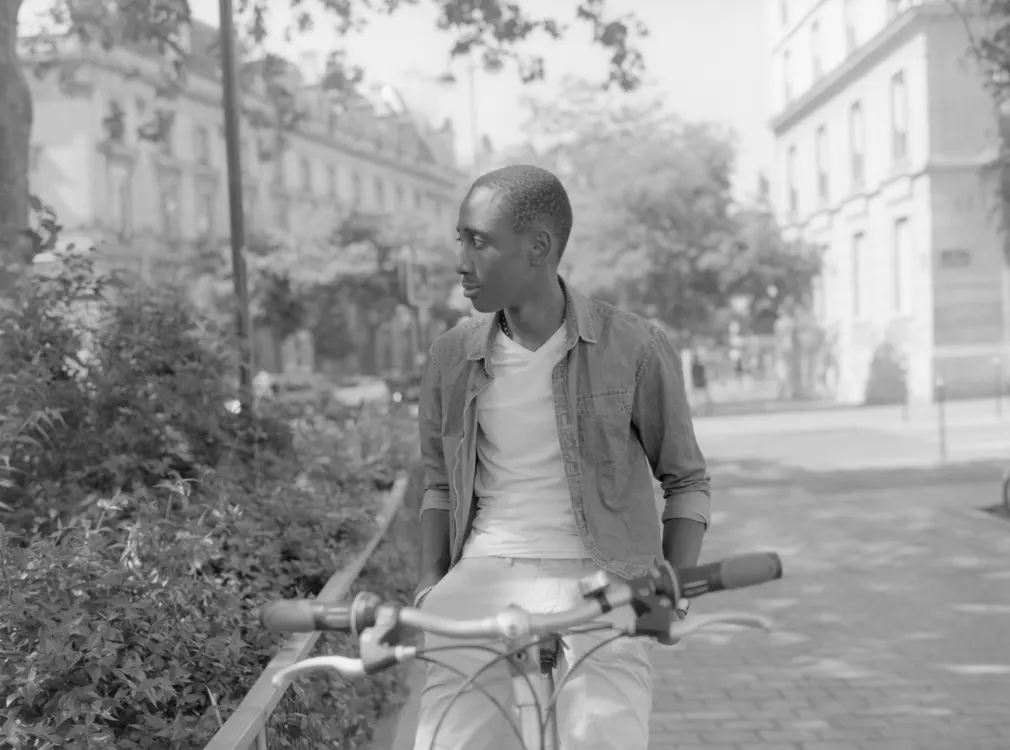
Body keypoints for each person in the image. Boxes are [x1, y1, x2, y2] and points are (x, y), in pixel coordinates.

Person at [413, 165, 711, 750]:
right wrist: (429, 587)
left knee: (605, 736)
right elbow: (438, 485)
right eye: (460, 239)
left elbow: (686, 480)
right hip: (484, 572)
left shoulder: (634, 346)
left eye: (479, 241)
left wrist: (672, 589)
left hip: (604, 576)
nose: (461, 261)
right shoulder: (451, 355)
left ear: (539, 248)